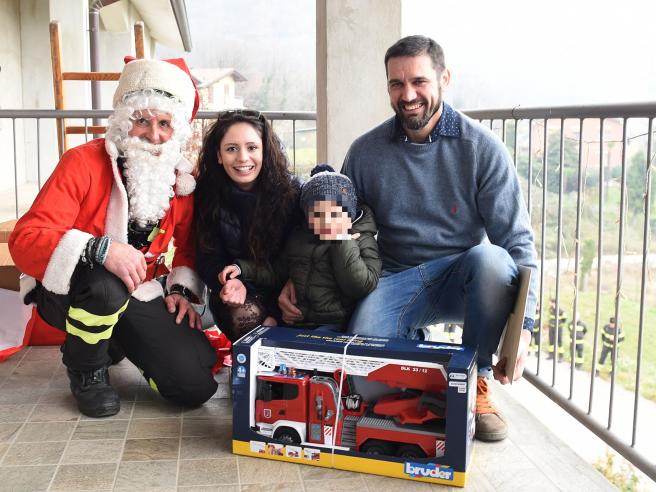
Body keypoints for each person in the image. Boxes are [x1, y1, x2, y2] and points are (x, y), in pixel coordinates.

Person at [280, 35, 539, 442]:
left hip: (465, 278)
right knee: (365, 377)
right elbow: (334, 225)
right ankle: (417, 346)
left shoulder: (482, 148)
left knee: (492, 259)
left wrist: (524, 328)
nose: (408, 94)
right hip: (395, 276)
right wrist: (295, 280)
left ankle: (477, 380)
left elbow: (519, 244)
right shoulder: (366, 151)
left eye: (419, 81)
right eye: (396, 84)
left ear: (444, 79)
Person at [8, 57, 218, 418]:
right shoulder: (81, 162)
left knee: (194, 383)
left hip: (140, 289)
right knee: (106, 286)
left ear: (177, 130)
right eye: (142, 120)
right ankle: (86, 369)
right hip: (72, 290)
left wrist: (182, 290)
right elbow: (26, 239)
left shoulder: (181, 181)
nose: (154, 134)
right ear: (124, 120)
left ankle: (112, 339)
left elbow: (187, 249)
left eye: (165, 123)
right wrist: (99, 249)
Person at [194, 110, 302, 342]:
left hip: (286, 288)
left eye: (252, 147)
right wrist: (232, 282)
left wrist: (276, 310)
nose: (243, 158)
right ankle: (252, 372)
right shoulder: (206, 196)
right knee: (243, 315)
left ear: (265, 151)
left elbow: (300, 256)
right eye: (231, 148)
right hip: (238, 290)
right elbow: (207, 258)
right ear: (219, 155)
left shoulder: (291, 194)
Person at [232, 164, 381, 330]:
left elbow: (360, 286)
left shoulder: (361, 238)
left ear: (349, 214)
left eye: (335, 213)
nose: (326, 221)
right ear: (307, 216)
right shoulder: (299, 237)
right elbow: (277, 271)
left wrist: (342, 241)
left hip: (334, 324)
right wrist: (242, 268)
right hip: (297, 321)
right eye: (317, 214)